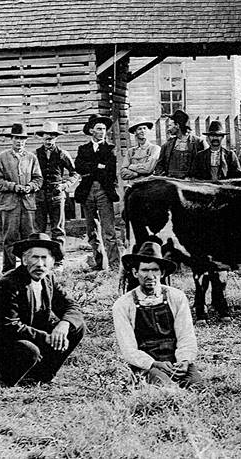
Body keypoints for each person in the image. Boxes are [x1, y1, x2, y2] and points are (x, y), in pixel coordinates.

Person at [0, 233, 85, 387]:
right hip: (4, 341)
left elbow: (71, 306)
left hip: (33, 334)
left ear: (53, 262)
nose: (39, 264)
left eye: (44, 258)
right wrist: (47, 337)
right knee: (28, 350)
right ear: (24, 260)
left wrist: (64, 325)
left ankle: (42, 376)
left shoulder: (48, 279)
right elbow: (8, 326)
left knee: (77, 327)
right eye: (35, 257)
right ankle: (4, 377)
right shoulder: (8, 285)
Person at [112, 241, 203, 389]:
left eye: (155, 270)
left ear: (162, 272)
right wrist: (153, 364)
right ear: (135, 273)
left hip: (175, 360)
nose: (150, 276)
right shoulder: (123, 305)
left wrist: (184, 361)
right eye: (145, 270)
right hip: (146, 364)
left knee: (197, 387)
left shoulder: (177, 297)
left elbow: (186, 336)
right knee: (166, 390)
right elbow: (128, 349)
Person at [0, 123, 43, 272]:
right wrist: (13, 187)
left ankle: (28, 268)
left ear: (25, 140)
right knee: (10, 238)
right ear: (11, 139)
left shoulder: (31, 158)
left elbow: (38, 179)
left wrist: (30, 187)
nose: (19, 141)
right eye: (16, 138)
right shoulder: (2, 158)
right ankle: (9, 270)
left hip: (27, 204)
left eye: (22, 138)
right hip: (10, 204)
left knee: (30, 238)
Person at [72, 115, 121, 273]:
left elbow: (109, 170)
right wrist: (97, 166)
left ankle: (114, 267)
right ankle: (99, 263)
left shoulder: (110, 149)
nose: (102, 132)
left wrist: (91, 169)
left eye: (104, 129)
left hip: (104, 192)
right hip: (87, 192)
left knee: (109, 231)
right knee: (91, 231)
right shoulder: (83, 149)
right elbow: (79, 167)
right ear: (91, 130)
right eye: (99, 129)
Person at [34, 122, 77, 246]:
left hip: (57, 195)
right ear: (42, 138)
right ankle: (41, 258)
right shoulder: (35, 155)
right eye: (46, 138)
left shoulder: (63, 154)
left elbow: (75, 173)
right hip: (39, 195)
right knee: (38, 230)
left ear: (56, 138)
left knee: (58, 229)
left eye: (52, 138)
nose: (49, 141)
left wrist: (64, 185)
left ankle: (59, 261)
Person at [153, 109, 208, 179]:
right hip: (171, 183)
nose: (168, 129)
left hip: (192, 184)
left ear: (177, 125)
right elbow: (159, 166)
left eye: (169, 126)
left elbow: (205, 166)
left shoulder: (199, 143)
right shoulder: (167, 145)